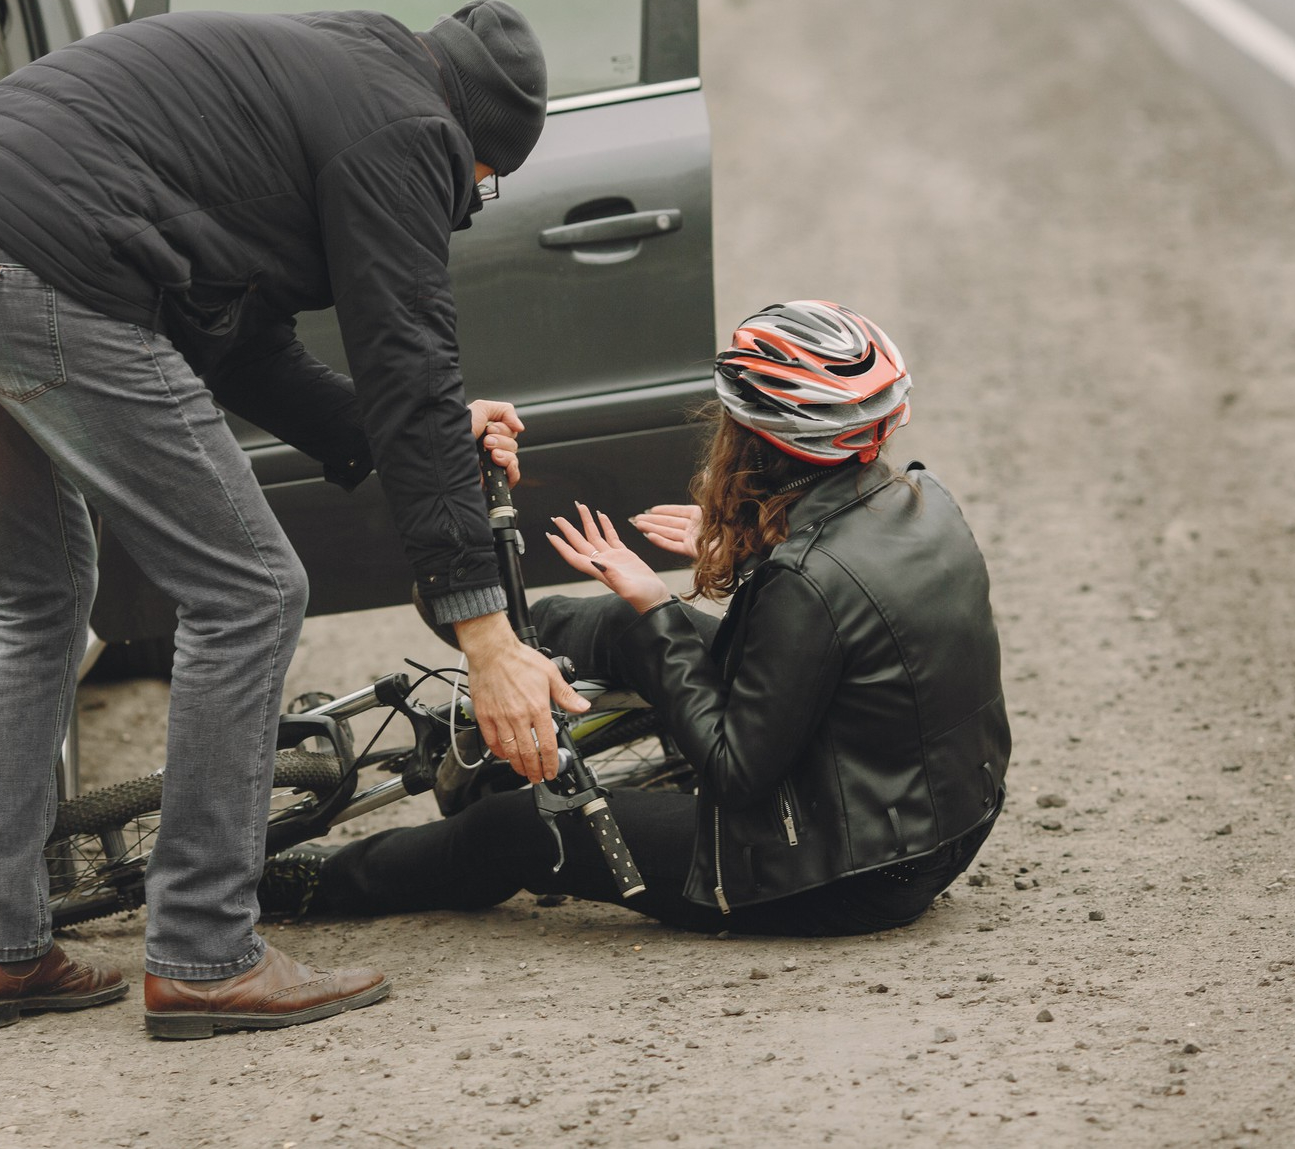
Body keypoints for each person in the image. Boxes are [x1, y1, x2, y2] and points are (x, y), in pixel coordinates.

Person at [0, 0, 589, 1039]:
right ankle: (205, 949)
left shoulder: (322, 77)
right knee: (249, 588)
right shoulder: (406, 130)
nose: (468, 199)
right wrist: (485, 633)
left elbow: (245, 346)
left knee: (37, 595)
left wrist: (406, 433)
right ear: (473, 142)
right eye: (482, 183)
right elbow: (411, 365)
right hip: (36, 263)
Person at [259, 301, 1011, 938]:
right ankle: (503, 642)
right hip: (936, 821)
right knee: (626, 625)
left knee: (512, 829)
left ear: (761, 440)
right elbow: (844, 631)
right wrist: (741, 553)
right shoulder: (921, 502)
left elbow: (734, 769)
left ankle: (302, 885)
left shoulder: (803, 583)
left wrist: (659, 604)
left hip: (841, 872)